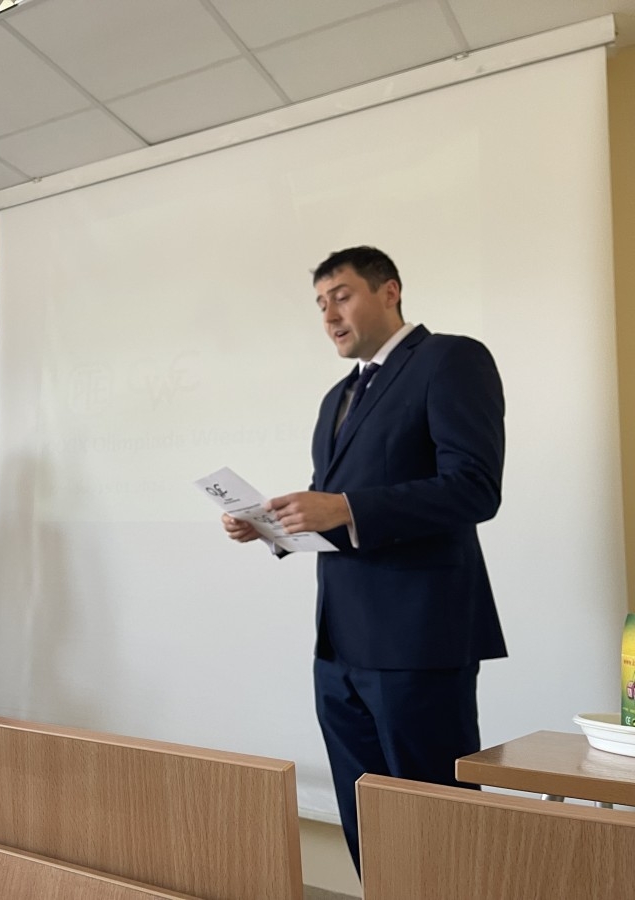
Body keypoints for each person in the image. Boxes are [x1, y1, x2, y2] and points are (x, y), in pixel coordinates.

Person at [221, 246, 506, 873]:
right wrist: (270, 527)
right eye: (320, 303)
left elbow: (474, 488)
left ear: (389, 291)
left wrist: (346, 507)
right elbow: (330, 508)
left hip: (418, 641)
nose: (329, 315)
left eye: (342, 296)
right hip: (338, 646)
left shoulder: (450, 359)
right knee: (366, 819)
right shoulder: (337, 398)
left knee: (434, 821)